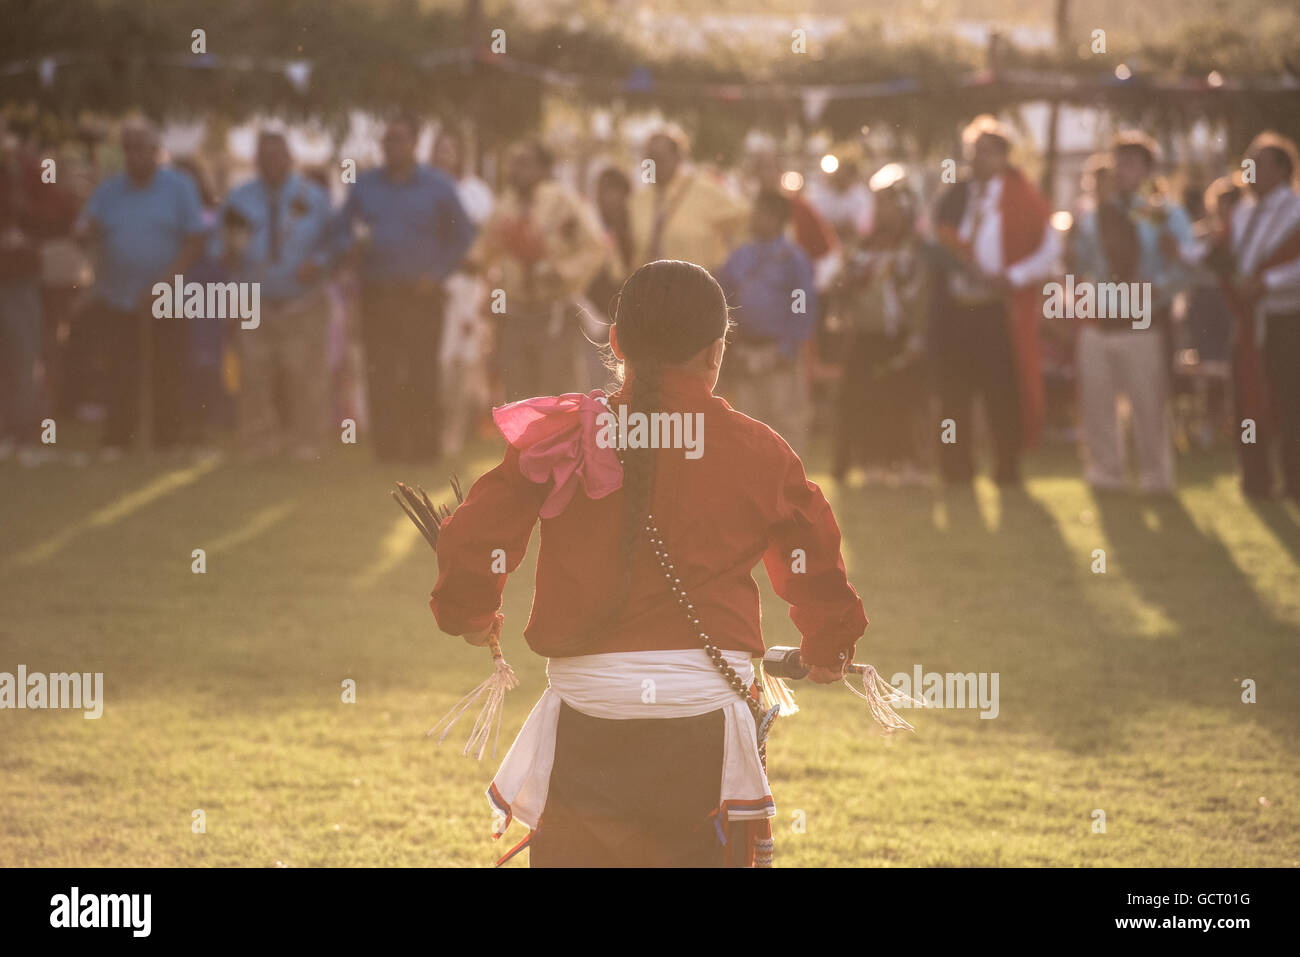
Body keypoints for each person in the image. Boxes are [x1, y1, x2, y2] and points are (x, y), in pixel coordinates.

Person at [428, 259, 867, 867]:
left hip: (588, 716)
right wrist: (827, 648)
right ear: (716, 354)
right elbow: (814, 560)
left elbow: (476, 533)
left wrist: (470, 611)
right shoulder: (758, 450)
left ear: (615, 342)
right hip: (704, 723)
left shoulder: (563, 435)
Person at [332, 114, 475, 462]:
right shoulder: (365, 186)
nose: (392, 147)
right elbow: (339, 229)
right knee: (380, 370)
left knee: (421, 370)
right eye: (387, 141)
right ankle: (388, 450)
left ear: (414, 144)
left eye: (399, 140)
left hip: (422, 295)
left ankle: (425, 448)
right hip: (378, 292)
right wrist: (348, 249)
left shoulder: (438, 186)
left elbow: (463, 236)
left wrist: (438, 273)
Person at [929, 115, 1059, 487]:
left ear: (1003, 156)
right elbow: (937, 235)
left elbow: (1049, 249)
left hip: (996, 310)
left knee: (1001, 391)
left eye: (985, 152)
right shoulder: (956, 193)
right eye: (973, 152)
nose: (976, 160)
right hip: (956, 310)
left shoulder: (1022, 197)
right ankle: (956, 469)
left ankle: (1006, 468)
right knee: (954, 394)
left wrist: (1012, 277)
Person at [1069, 133, 1194, 494]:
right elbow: (1082, 265)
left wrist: (1159, 288)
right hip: (1099, 318)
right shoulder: (1093, 216)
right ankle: (1107, 471)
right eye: (1119, 162)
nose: (1123, 171)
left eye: (1131, 164)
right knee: (1097, 403)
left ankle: (1156, 476)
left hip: (1143, 319)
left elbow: (1188, 266)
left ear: (1146, 170)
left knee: (1148, 404)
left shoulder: (1164, 214)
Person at [75, 119, 206, 456]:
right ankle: (119, 438)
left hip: (169, 294)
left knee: (168, 367)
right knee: (121, 367)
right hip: (118, 294)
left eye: (141, 148)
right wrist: (86, 233)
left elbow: (194, 239)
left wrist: (166, 281)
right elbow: (89, 228)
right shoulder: (108, 190)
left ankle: (168, 440)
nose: (135, 155)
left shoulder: (179, 187)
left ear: (155, 150)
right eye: (129, 148)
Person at [220, 129, 335, 460]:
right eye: (264, 156)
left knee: (305, 374)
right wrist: (228, 253)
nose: (271, 162)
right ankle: (259, 442)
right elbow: (221, 246)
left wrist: (319, 262)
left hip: (305, 301)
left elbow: (334, 243)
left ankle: (307, 442)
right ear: (255, 161)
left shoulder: (313, 197)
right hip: (254, 301)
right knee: (254, 375)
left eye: (278, 156)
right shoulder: (239, 199)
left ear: (290, 159)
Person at [470, 139, 608, 403]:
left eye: (525, 164)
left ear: (543, 169)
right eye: (515, 164)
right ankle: (522, 445)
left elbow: (596, 247)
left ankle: (566, 444)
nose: (517, 171)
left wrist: (564, 271)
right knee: (518, 394)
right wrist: (473, 263)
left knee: (561, 392)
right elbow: (483, 250)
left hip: (555, 310)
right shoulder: (504, 206)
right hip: (514, 312)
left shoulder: (564, 201)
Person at [831, 164, 932, 484]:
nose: (880, 210)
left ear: (904, 206)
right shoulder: (863, 247)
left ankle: (908, 464)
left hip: (902, 337)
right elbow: (840, 288)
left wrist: (918, 337)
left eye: (887, 203)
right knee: (862, 400)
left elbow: (923, 297)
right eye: (877, 203)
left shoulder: (917, 250)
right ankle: (870, 461)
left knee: (904, 401)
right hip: (865, 337)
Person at [1224, 132, 1300, 502]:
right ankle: (1255, 479)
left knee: (1290, 401)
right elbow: (1227, 257)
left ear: (1281, 170)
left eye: (1258, 163)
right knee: (1248, 401)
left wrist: (1267, 282)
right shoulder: (1243, 212)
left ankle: (1295, 480)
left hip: (1286, 319)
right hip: (1248, 320)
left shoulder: (1295, 210)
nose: (1249, 171)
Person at [0, 116, 78, 464]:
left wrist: (25, 228)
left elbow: (62, 210)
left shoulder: (27, 170)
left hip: (17, 279)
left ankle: (23, 437)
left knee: (23, 358)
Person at [714, 190, 817, 451]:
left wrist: (787, 348)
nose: (754, 217)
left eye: (760, 212)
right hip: (746, 350)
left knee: (784, 421)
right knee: (748, 421)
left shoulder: (793, 259)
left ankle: (789, 486)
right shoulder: (740, 256)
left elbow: (802, 308)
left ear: (776, 218)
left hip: (779, 352)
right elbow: (723, 297)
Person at [432, 128, 495, 455]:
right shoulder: (424, 188)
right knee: (440, 358)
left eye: (450, 150)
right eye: (439, 149)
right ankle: (436, 427)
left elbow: (486, 240)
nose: (444, 156)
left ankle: (455, 433)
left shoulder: (475, 192)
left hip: (466, 286)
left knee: (465, 357)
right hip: (431, 286)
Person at [629, 125, 749, 270]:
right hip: (651, 287)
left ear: (678, 158)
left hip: (696, 286)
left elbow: (745, 217)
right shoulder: (638, 200)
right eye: (649, 159)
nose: (653, 165)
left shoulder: (703, 190)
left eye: (660, 158)